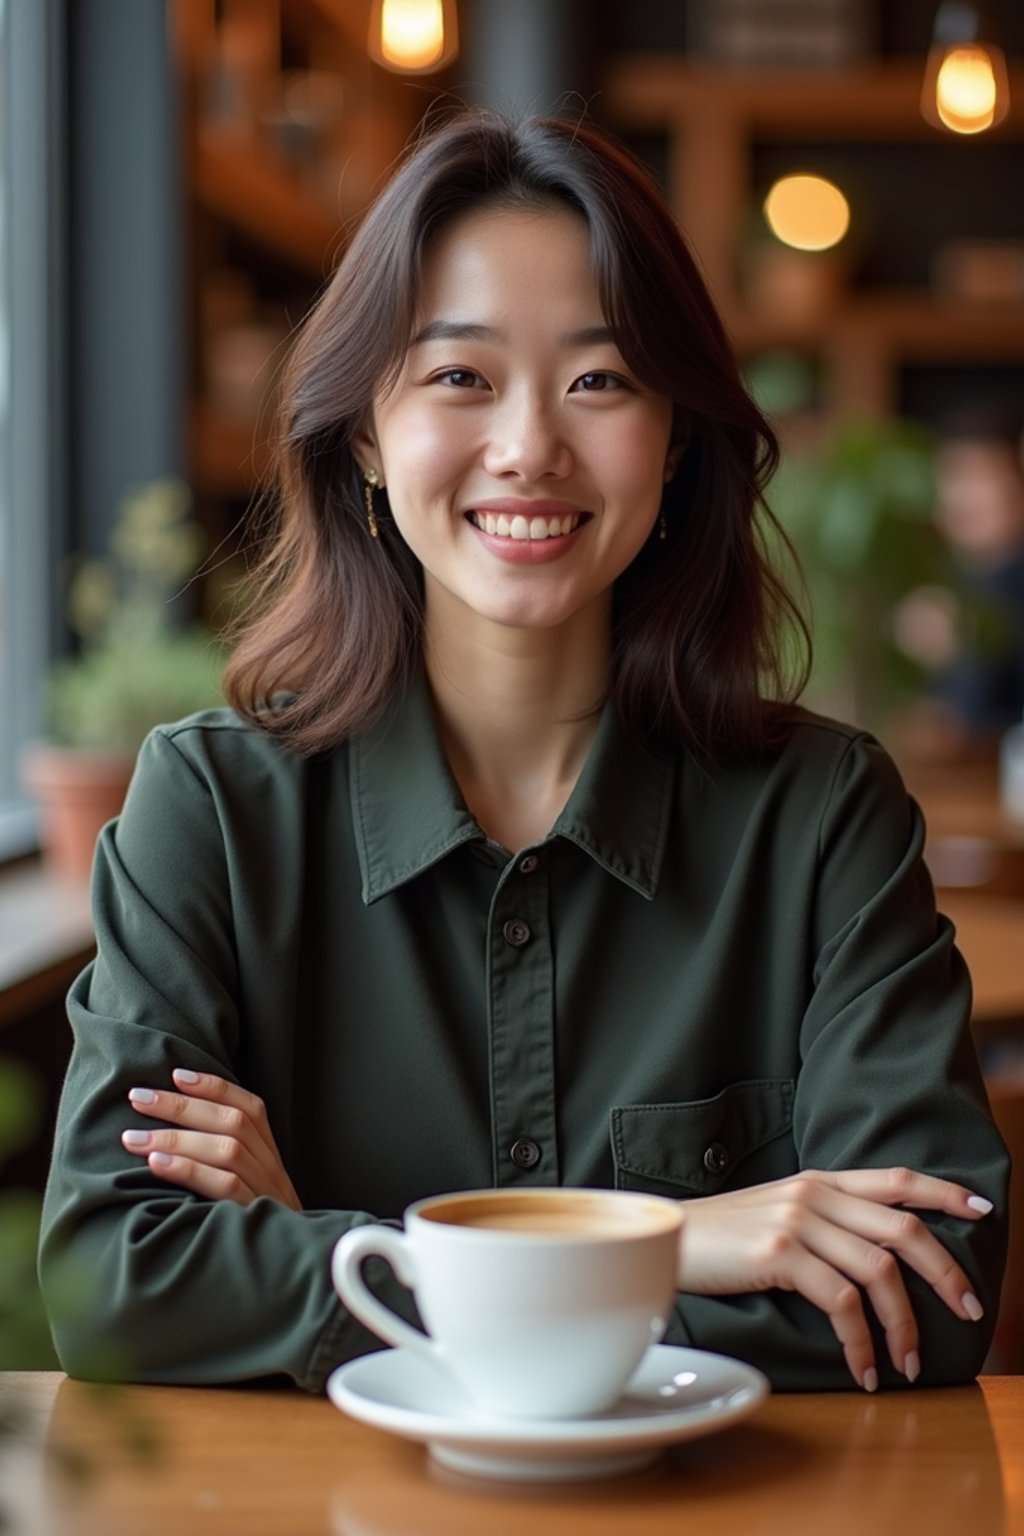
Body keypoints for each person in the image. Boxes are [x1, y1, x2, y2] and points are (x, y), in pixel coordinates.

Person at [39, 110, 1007, 1397]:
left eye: (599, 379)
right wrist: (668, 1252)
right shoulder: (211, 811)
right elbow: (119, 1281)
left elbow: (925, 1298)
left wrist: (326, 1251)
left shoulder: (821, 816)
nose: (528, 446)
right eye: (459, 377)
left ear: (673, 438)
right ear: (370, 440)